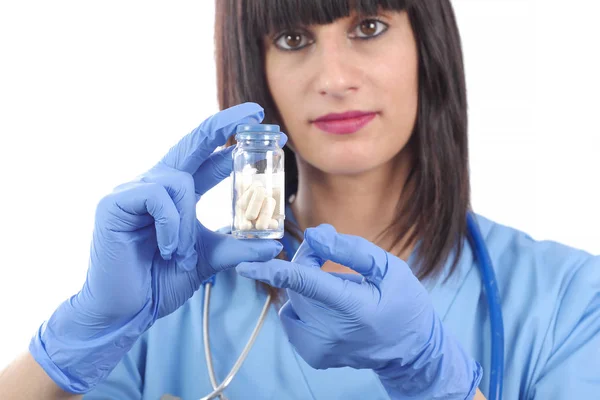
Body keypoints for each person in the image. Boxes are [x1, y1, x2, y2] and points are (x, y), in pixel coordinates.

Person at [1, 0, 599, 399]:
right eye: (293, 38)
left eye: (368, 27)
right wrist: (79, 337)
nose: (334, 78)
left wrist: (434, 381)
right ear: (256, 66)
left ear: (428, 45)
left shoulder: (570, 300)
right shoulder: (166, 306)